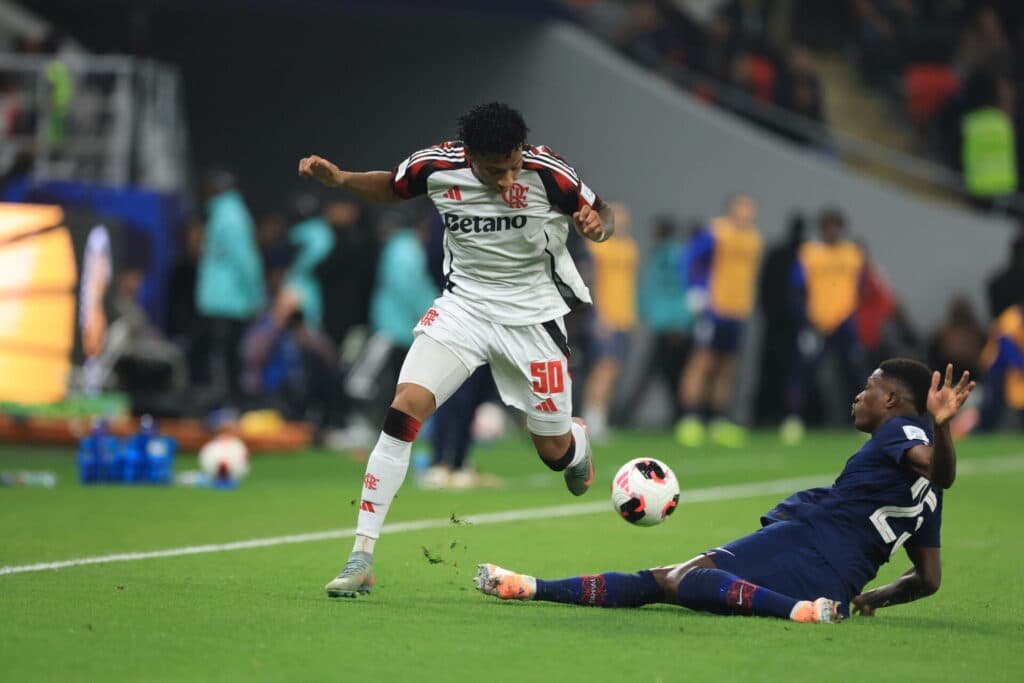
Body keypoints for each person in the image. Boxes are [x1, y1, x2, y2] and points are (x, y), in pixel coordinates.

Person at [298, 102, 614, 598]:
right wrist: (342, 180)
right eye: (495, 170)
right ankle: (361, 555)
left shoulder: (548, 171)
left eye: (513, 164)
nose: (507, 176)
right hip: (463, 308)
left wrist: (598, 226)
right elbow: (392, 187)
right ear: (469, 157)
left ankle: (575, 440)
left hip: (533, 318)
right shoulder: (436, 165)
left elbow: (602, 212)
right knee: (403, 410)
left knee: (553, 453)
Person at [477, 359, 974, 624]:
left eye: (868, 387)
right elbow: (927, 577)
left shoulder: (903, 432)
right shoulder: (927, 493)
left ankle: (800, 613)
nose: (858, 395)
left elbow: (938, 467)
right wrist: (870, 599)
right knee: (661, 579)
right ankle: (533, 587)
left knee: (681, 581)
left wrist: (943, 426)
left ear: (889, 399)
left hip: (807, 547)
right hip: (834, 577)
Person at [676, 195, 763, 447]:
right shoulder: (715, 232)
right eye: (742, 208)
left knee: (727, 367)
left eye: (750, 209)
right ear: (731, 210)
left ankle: (716, 421)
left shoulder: (754, 240)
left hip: (737, 312)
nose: (746, 213)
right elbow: (690, 260)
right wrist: (695, 291)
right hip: (713, 309)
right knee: (702, 362)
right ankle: (689, 419)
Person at [782, 208, 865, 443]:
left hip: (845, 322)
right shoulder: (809, 253)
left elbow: (860, 287)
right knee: (802, 371)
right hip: (816, 323)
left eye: (836, 226)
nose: (832, 231)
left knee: (855, 372)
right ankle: (793, 419)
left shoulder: (852, 253)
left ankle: (866, 421)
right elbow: (796, 288)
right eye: (828, 226)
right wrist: (806, 318)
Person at [194, 170, 265, 413]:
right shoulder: (227, 213)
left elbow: (244, 259)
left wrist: (255, 295)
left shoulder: (229, 215)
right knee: (225, 357)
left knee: (225, 359)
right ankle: (226, 406)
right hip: (226, 300)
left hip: (227, 301)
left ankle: (227, 408)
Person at [582, 202, 639, 443]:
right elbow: (589, 283)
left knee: (613, 370)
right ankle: (590, 421)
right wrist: (596, 315)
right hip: (604, 318)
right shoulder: (595, 247)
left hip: (623, 317)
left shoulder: (630, 248)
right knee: (602, 370)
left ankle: (600, 418)